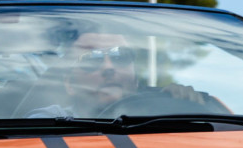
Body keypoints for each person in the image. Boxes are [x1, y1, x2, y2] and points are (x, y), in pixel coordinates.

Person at [29, 32, 212, 118]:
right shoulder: (47, 125)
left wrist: (183, 106)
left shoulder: (162, 115)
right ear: (69, 84)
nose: (109, 67)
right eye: (91, 60)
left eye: (120, 57)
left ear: (135, 79)